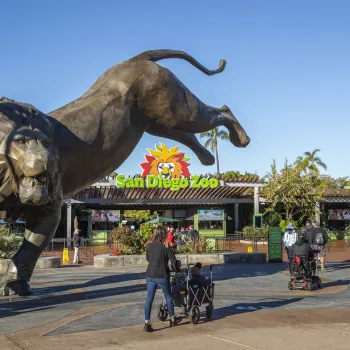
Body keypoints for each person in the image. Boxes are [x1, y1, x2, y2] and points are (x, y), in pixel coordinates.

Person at [144, 226, 182, 332]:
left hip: (150, 275)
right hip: (162, 274)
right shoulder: (166, 246)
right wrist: (177, 270)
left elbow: (148, 259)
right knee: (168, 296)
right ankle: (173, 318)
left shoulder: (149, 245)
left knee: (149, 299)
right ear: (163, 234)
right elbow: (173, 261)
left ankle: (147, 323)